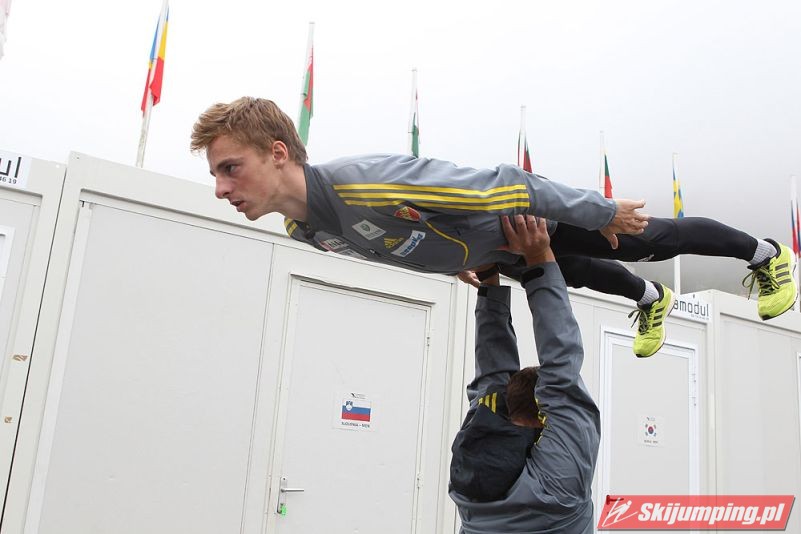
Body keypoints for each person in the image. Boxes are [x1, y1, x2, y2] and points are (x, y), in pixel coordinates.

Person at [190, 96, 797, 358]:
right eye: (216, 174)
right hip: (486, 252)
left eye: (229, 168)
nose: (221, 188)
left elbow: (505, 184)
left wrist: (601, 211)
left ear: (277, 152)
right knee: (572, 277)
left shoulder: (366, 181)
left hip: (518, 216)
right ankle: (650, 299)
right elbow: (384, 247)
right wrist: (450, 261)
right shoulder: (303, 231)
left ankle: (765, 252)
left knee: (649, 241)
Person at [449, 214, 599, 533]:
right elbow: (555, 379)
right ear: (542, 418)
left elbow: (557, 367)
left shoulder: (470, 475)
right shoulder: (556, 490)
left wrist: (534, 259)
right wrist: (528, 259)